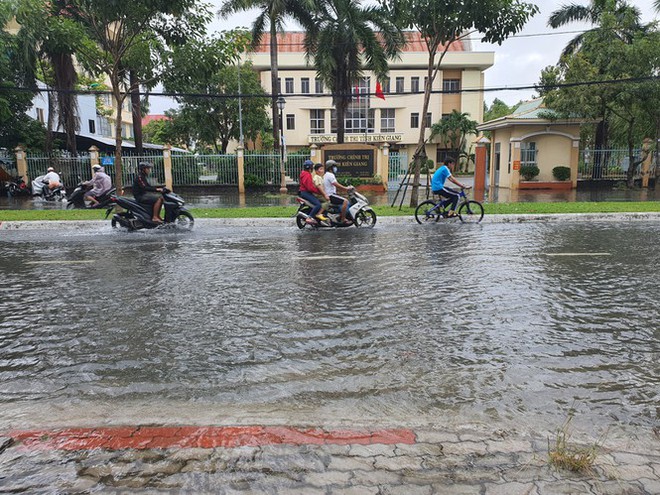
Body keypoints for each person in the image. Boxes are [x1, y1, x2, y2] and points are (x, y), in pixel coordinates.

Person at [322, 160, 353, 224]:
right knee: (345, 201)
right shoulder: (330, 175)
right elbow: (336, 184)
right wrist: (346, 188)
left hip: (330, 194)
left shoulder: (326, 175)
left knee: (342, 200)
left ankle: (339, 216)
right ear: (330, 168)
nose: (335, 168)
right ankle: (343, 219)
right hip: (330, 195)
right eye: (334, 167)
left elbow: (333, 186)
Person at [298, 159, 326, 224]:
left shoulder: (304, 173)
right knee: (318, 204)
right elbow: (310, 187)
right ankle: (309, 217)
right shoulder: (307, 175)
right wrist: (318, 192)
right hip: (306, 193)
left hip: (304, 192)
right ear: (310, 168)